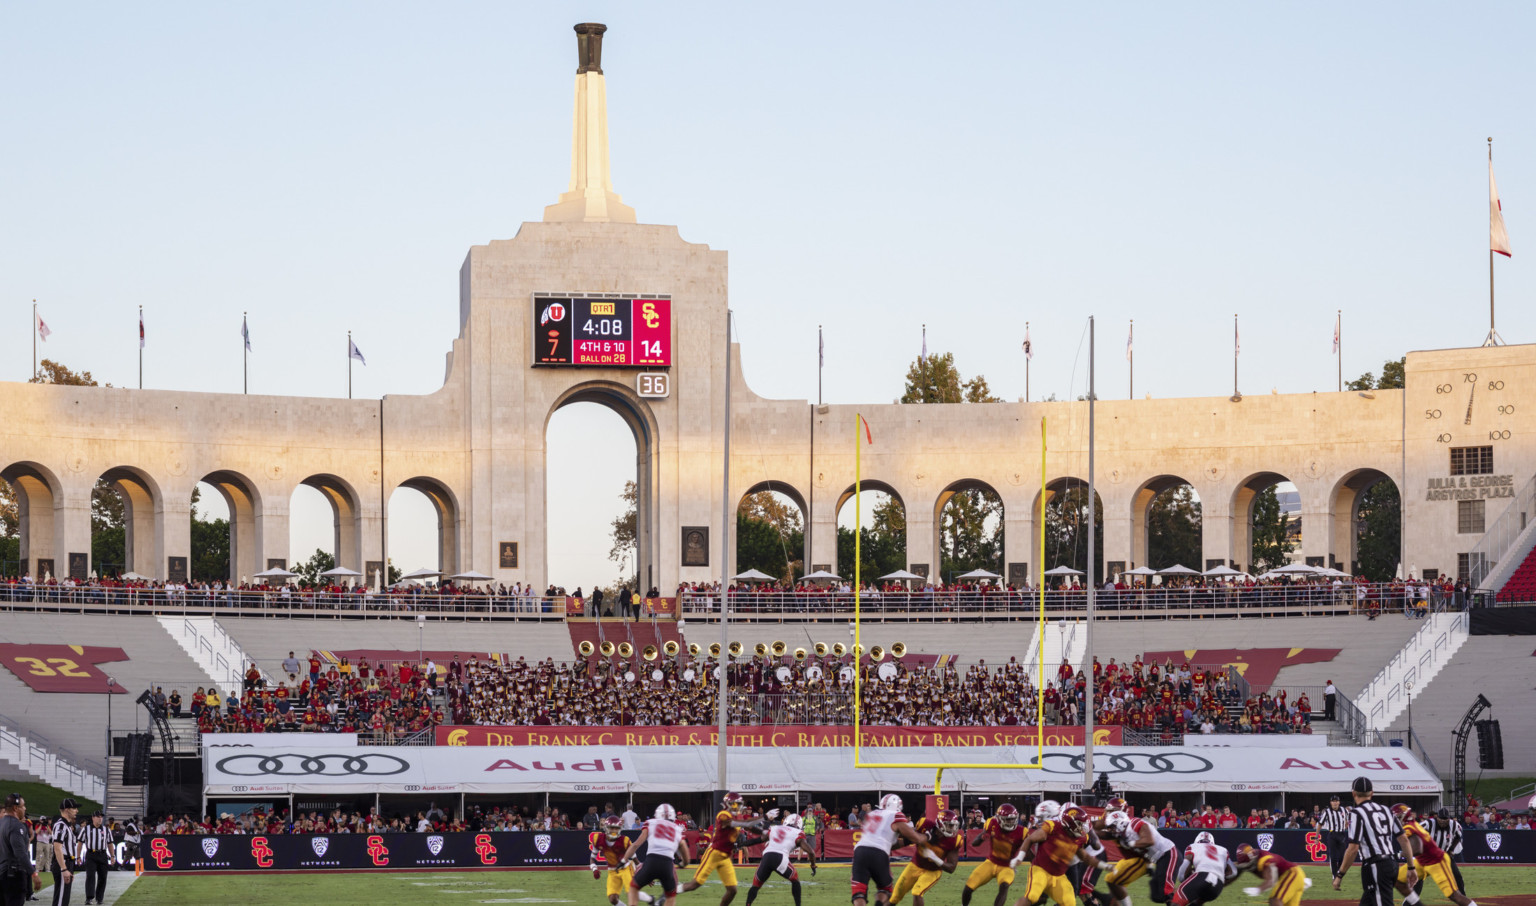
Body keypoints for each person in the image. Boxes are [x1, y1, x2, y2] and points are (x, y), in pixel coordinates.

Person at [1332, 776, 1415, 906]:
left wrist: (1340, 874)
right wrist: (1411, 866)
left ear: (1353, 793)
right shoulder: (1386, 810)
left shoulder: (1356, 813)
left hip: (1376, 866)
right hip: (1392, 864)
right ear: (1372, 793)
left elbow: (1353, 848)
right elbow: (1404, 839)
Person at [1388, 804, 1477, 906]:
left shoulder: (1409, 827)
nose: (1395, 820)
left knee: (1454, 895)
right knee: (1398, 880)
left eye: (1397, 817)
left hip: (1436, 860)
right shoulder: (1421, 824)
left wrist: (1400, 855)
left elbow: (1417, 849)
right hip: (1422, 860)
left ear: (1404, 816)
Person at [850, 794, 931, 906]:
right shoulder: (895, 815)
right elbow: (916, 838)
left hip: (859, 851)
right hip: (878, 853)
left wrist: (907, 841)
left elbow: (890, 843)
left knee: (859, 892)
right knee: (886, 890)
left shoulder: (872, 814)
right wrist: (927, 836)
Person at [1016, 804, 1098, 906]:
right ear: (1071, 824)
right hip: (1041, 870)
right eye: (1080, 824)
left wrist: (1102, 865)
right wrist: (1020, 857)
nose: (1083, 827)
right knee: (1032, 896)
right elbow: (1030, 839)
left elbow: (1082, 854)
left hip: (1059, 876)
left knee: (1070, 902)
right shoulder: (1053, 826)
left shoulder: (1081, 837)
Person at [681, 792, 754, 906]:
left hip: (725, 856)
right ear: (727, 804)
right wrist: (762, 817)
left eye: (738, 804)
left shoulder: (738, 816)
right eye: (734, 804)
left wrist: (764, 831)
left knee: (732, 890)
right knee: (695, 885)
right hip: (714, 853)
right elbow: (734, 824)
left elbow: (750, 827)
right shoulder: (723, 814)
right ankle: (669, 892)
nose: (736, 807)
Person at [1100, 808, 1178, 906]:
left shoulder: (1134, 824)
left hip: (1168, 853)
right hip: (1159, 859)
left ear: (1120, 823)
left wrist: (1131, 844)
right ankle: (1185, 891)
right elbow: (1144, 852)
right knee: (1157, 896)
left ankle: (1186, 893)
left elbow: (1149, 841)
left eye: (1112, 827)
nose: (1111, 830)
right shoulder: (1124, 835)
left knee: (1166, 892)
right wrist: (1149, 865)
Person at [622, 804, 692, 906]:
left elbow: (636, 844)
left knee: (633, 888)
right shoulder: (676, 829)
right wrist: (683, 863)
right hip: (668, 865)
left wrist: (624, 859)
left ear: (657, 815)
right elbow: (684, 848)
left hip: (651, 862)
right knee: (671, 895)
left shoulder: (651, 823)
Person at [889, 809, 960, 906]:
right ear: (940, 824)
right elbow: (908, 839)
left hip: (933, 871)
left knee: (917, 891)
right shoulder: (924, 825)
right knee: (895, 896)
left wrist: (935, 858)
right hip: (915, 865)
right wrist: (887, 846)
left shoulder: (954, 841)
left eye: (954, 825)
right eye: (950, 825)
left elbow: (951, 868)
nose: (953, 829)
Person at [744, 813, 816, 906]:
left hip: (766, 856)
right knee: (795, 880)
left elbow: (759, 840)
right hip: (780, 858)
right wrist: (813, 865)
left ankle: (748, 904)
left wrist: (743, 844)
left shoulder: (775, 828)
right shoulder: (799, 833)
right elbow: (811, 853)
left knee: (755, 886)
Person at [963, 803, 1026, 906]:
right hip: (991, 862)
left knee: (1004, 886)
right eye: (1007, 819)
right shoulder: (992, 823)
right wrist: (984, 836)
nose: (1010, 822)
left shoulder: (1022, 831)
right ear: (999, 818)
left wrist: (1020, 857)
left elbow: (1029, 848)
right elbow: (974, 843)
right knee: (968, 887)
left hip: (1007, 866)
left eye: (1012, 819)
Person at [591, 815, 654, 906]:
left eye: (616, 828)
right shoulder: (598, 839)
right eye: (612, 828)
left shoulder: (624, 841)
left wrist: (645, 876)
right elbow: (592, 858)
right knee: (612, 899)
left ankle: (650, 899)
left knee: (631, 893)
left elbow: (636, 861)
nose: (614, 831)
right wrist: (594, 869)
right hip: (612, 870)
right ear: (606, 828)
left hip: (626, 868)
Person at [1231, 844, 1305, 906]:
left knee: (1275, 900)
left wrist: (1259, 889)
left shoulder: (1265, 860)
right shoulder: (1256, 857)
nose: (1247, 866)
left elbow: (1271, 880)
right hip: (1295, 875)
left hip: (1292, 873)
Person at [1, 794, 41, 906]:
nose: (25, 808)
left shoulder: (1, 823)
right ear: (15, 808)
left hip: (2, 873)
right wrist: (34, 874)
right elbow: (20, 852)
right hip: (13, 875)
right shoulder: (16, 825)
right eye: (23, 806)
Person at [1170, 831, 1229, 906]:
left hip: (1201, 876)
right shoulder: (1223, 850)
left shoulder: (1192, 847)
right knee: (1198, 902)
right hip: (1218, 886)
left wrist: (1189, 879)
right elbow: (1233, 872)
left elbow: (1181, 875)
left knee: (1176, 900)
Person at [1428, 809, 1466, 894]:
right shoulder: (1429, 823)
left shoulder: (1454, 825)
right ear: (1437, 817)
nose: (1443, 821)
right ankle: (1411, 900)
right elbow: (1417, 831)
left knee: (1457, 875)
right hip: (1429, 856)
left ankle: (1463, 896)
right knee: (1418, 878)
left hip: (1444, 855)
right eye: (1441, 819)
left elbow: (1458, 836)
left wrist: (1451, 849)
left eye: (1445, 819)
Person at [51, 798, 79, 906]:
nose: (77, 811)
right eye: (74, 808)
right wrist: (64, 869)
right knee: (61, 898)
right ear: (67, 810)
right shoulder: (61, 825)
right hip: (63, 862)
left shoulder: (66, 825)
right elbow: (57, 847)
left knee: (64, 897)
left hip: (67, 862)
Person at [78, 813, 109, 906]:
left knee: (103, 877)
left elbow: (110, 843)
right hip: (91, 854)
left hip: (102, 854)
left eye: (101, 817)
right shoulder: (86, 829)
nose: (100, 819)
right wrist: (78, 856)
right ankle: (89, 898)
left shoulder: (106, 830)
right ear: (93, 818)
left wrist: (112, 856)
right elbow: (80, 843)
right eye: (98, 817)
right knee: (90, 876)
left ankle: (99, 898)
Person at [1318, 794, 1349, 879]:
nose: (1335, 803)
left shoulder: (1344, 810)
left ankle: (1338, 873)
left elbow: (1349, 819)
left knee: (1342, 856)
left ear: (1339, 802)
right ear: (1331, 803)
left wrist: (1346, 824)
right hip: (1332, 834)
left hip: (1342, 834)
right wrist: (1316, 836)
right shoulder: (1327, 812)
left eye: (1336, 801)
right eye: (1333, 801)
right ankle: (1334, 875)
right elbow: (1320, 824)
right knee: (1333, 856)